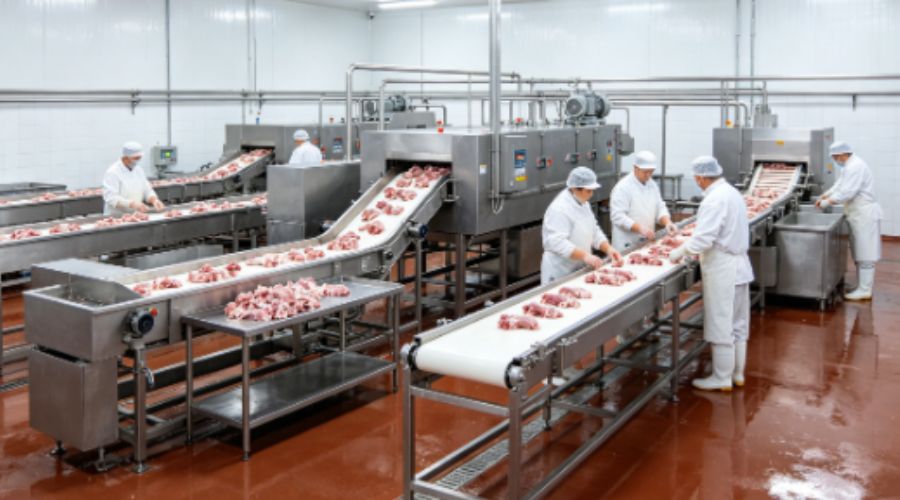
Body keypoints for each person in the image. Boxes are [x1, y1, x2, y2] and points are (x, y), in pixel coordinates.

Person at [669, 156, 752, 392]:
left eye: (697, 178)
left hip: (723, 268)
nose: (697, 181)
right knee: (738, 324)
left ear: (702, 177)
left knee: (721, 322)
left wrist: (679, 252)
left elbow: (704, 238)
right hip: (740, 266)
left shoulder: (714, 200)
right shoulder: (732, 192)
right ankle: (737, 374)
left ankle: (721, 378)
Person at [815, 141, 882, 301]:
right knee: (859, 250)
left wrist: (827, 202)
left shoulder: (855, 166)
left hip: (864, 214)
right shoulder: (849, 166)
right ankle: (861, 286)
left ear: (844, 154)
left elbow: (847, 192)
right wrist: (826, 194)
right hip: (856, 214)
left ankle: (865, 290)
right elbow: (840, 184)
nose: (835, 160)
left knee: (866, 253)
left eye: (836, 157)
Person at [541, 166, 623, 285]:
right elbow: (556, 242)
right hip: (560, 271)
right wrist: (585, 256)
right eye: (588, 191)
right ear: (575, 189)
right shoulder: (559, 208)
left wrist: (608, 249)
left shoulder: (583, 203)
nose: (591, 194)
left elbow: (593, 231)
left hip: (578, 267)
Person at [610, 151, 678, 251]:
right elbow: (618, 216)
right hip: (627, 242)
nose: (648, 175)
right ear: (635, 168)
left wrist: (667, 222)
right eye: (645, 172)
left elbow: (659, 206)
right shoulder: (623, 187)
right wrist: (639, 228)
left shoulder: (652, 185)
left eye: (651, 172)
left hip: (647, 238)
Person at [102, 142, 165, 216]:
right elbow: (110, 198)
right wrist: (131, 204)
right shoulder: (113, 172)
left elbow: (146, 189)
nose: (138, 160)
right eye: (135, 158)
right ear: (125, 157)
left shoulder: (138, 170)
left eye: (139, 158)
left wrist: (154, 200)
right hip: (116, 217)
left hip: (134, 215)